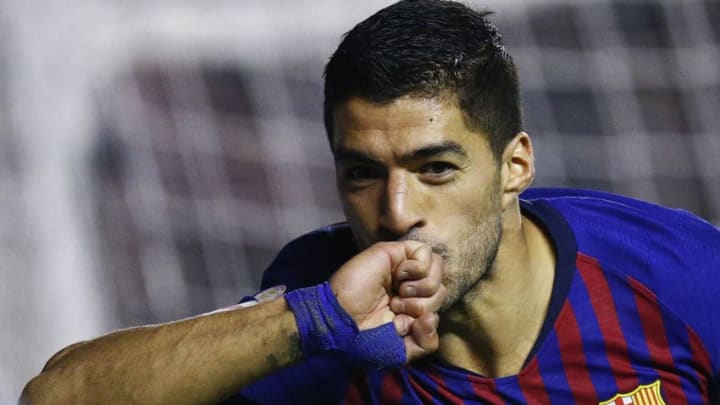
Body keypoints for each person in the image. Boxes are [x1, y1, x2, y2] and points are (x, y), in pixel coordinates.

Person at [21, 0, 720, 404]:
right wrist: (311, 319)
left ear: (515, 165)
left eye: (435, 168)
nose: (396, 209)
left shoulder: (672, 277)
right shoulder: (322, 310)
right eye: (362, 172)